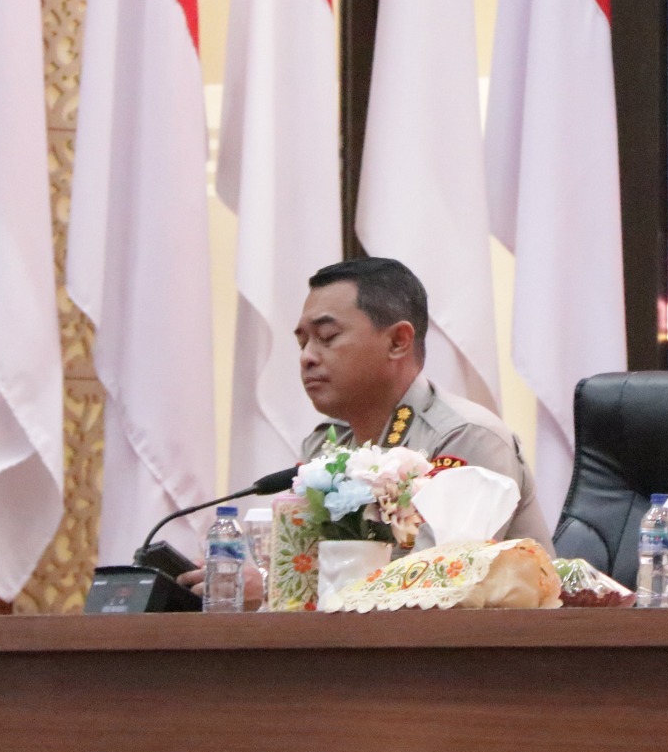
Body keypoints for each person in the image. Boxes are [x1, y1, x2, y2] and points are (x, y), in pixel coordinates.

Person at [182, 257, 552, 604]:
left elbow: (438, 587)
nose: (307, 356)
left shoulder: (465, 436)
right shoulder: (327, 445)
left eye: (327, 336)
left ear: (397, 341)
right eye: (302, 342)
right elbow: (303, 566)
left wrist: (267, 588)